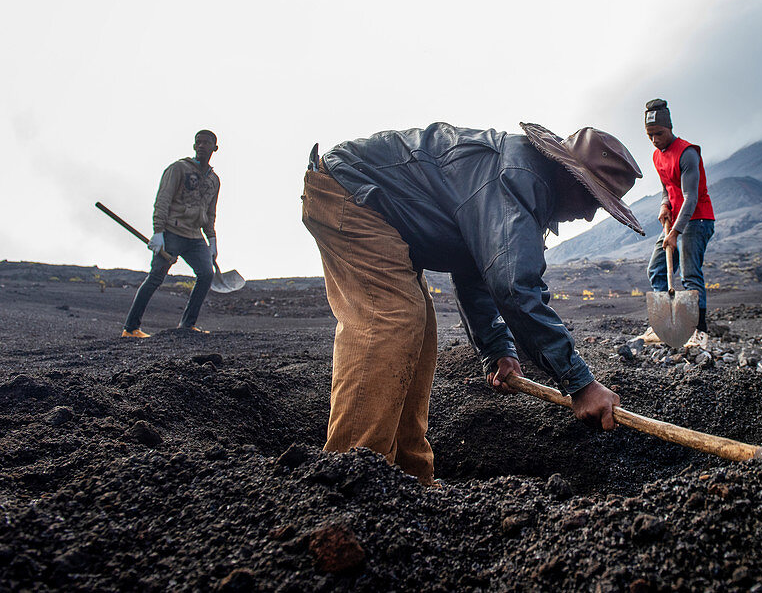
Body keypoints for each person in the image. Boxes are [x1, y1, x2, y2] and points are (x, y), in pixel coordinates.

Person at [301, 122, 645, 486]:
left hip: (372, 205)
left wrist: (498, 348)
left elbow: (474, 271)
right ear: (568, 175)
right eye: (592, 198)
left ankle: (407, 480)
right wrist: (581, 384)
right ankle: (351, 477)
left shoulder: (520, 182)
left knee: (416, 332)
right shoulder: (517, 179)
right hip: (352, 193)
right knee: (392, 320)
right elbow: (514, 287)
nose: (590, 215)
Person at [121, 130, 221, 337]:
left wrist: (212, 239)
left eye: (206, 143)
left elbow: (210, 212)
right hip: (172, 232)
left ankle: (187, 325)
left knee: (206, 274)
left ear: (215, 148)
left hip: (195, 237)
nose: (202, 146)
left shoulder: (214, 181)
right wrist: (158, 232)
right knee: (156, 277)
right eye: (198, 143)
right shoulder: (178, 169)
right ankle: (131, 329)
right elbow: (163, 200)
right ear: (194, 146)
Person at [641, 99, 714, 348]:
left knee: (690, 273)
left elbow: (691, 197)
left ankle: (700, 332)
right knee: (656, 268)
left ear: (669, 128)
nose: (654, 140)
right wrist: (664, 204)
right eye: (650, 135)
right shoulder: (656, 156)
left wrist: (675, 232)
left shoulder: (687, 153)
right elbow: (666, 189)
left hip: (697, 219)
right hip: (675, 220)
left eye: (659, 134)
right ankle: (662, 326)